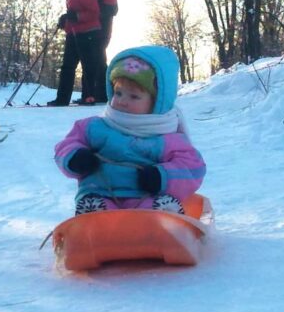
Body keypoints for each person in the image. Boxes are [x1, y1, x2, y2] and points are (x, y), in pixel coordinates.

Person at [54, 45, 206, 215]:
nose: (122, 101)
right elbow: (65, 146)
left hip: (145, 196)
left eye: (134, 96)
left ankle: (161, 220)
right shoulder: (95, 127)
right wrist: (75, 157)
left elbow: (193, 168)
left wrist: (161, 176)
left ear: (156, 102)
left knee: (150, 210)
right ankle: (94, 221)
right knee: (99, 208)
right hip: (101, 192)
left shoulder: (165, 137)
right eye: (118, 93)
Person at [47, 0, 104, 106]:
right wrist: (65, 19)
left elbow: (93, 12)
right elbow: (73, 10)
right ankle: (62, 98)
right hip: (74, 32)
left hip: (89, 33)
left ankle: (89, 96)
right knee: (67, 66)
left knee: (88, 65)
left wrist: (75, 16)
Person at [88, 0, 118, 103]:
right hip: (90, 25)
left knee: (99, 57)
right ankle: (92, 92)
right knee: (92, 58)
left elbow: (111, 7)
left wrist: (96, 13)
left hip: (102, 25)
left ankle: (103, 91)